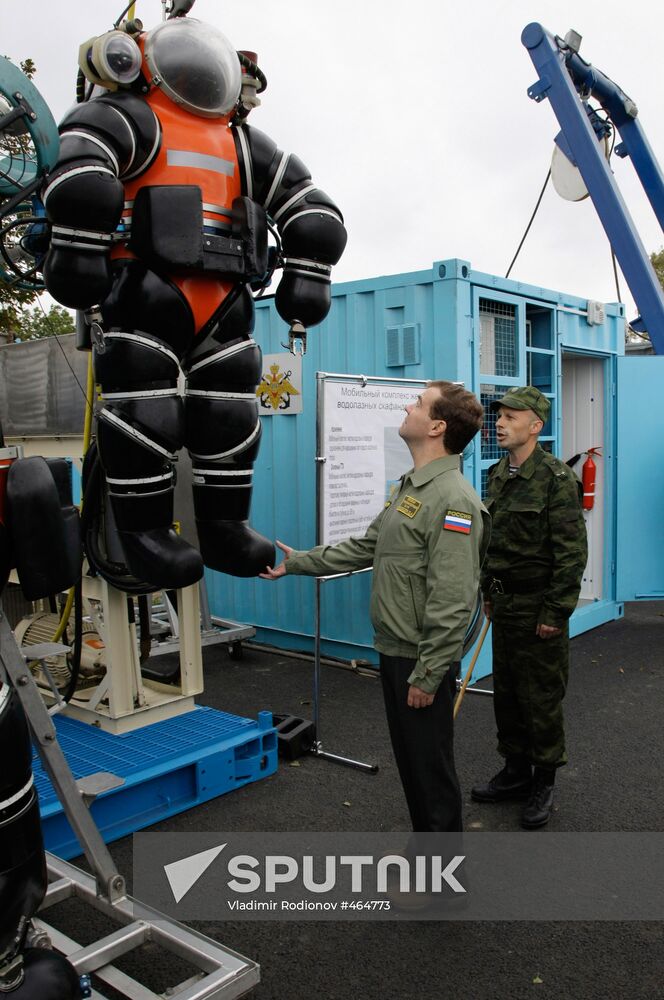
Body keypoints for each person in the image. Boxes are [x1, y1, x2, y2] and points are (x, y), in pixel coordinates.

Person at [261, 381, 490, 833]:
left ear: (437, 426)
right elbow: (369, 545)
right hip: (397, 649)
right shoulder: (414, 489)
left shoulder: (454, 501)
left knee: (430, 771)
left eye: (419, 404)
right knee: (414, 766)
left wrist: (427, 673)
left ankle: (441, 884)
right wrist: (300, 563)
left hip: (420, 658)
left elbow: (453, 599)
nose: (409, 405)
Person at [471, 386, 587, 829]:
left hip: (538, 607)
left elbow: (572, 553)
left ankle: (544, 781)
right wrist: (486, 588)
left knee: (541, 697)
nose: (498, 423)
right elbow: (492, 538)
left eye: (510, 417)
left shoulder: (557, 479)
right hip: (505, 604)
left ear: (535, 426)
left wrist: (555, 612)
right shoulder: (501, 472)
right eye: (498, 416)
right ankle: (516, 772)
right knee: (509, 695)